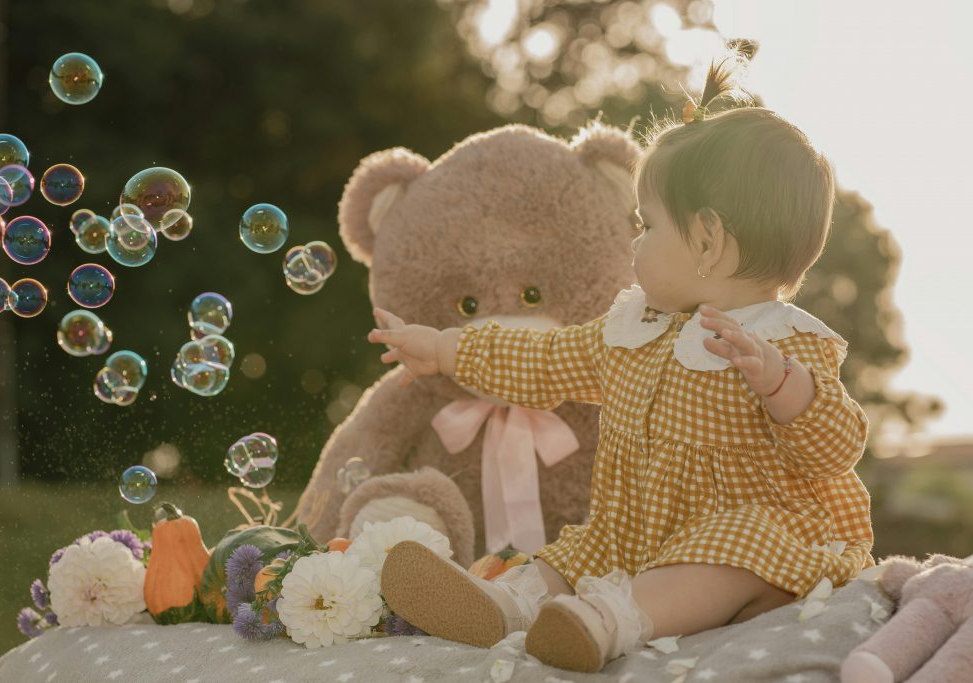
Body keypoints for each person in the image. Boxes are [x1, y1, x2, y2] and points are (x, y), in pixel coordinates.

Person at [366, 58, 873, 673]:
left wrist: (782, 386)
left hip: (757, 549)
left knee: (724, 553)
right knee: (575, 553)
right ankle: (506, 605)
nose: (635, 242)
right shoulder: (632, 332)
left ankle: (609, 622)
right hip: (637, 533)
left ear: (708, 241)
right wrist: (448, 348)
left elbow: (836, 448)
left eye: (649, 225)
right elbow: (545, 360)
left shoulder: (786, 342)